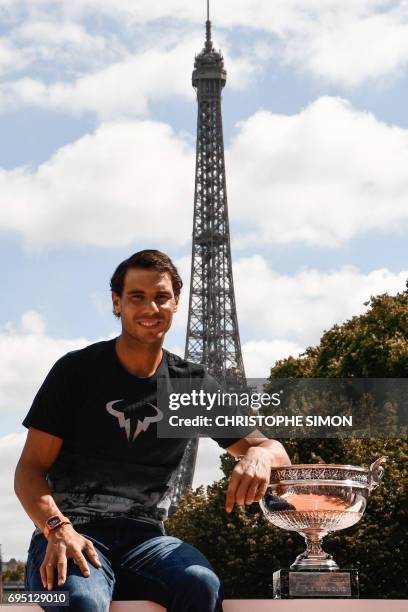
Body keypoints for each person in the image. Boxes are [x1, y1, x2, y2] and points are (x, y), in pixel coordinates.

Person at [15, 249, 290, 612]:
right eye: (137, 297)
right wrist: (57, 527)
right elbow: (28, 472)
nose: (151, 308)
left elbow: (276, 451)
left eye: (161, 297)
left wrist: (257, 453)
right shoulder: (75, 372)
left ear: (176, 303)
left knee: (201, 584)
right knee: (83, 602)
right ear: (117, 303)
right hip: (70, 532)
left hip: (145, 541)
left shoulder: (192, 386)